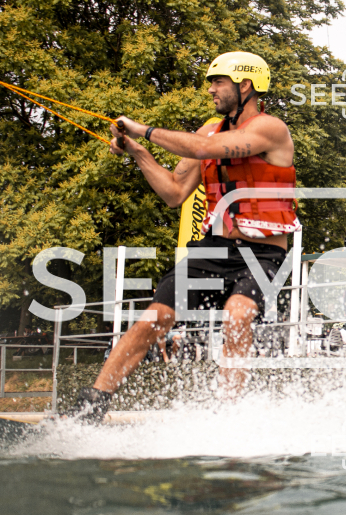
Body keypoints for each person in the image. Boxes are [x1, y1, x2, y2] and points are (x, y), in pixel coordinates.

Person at [64, 52, 299, 422]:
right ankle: (90, 407)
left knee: (237, 314)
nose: (211, 90)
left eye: (218, 82)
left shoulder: (271, 129)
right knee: (153, 318)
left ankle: (228, 415)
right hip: (215, 248)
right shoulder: (207, 132)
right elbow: (174, 193)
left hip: (262, 253)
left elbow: (201, 149)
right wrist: (138, 152)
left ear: (245, 85)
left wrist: (142, 129)